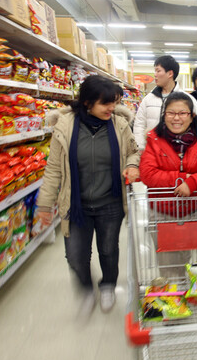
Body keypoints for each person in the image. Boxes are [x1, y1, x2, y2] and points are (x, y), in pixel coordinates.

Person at [36, 76, 140, 315]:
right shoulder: (65, 127)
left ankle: (107, 286)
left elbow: (133, 153)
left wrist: (133, 165)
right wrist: (44, 205)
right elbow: (53, 169)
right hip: (76, 204)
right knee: (75, 255)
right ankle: (85, 289)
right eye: (105, 103)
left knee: (108, 250)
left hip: (110, 203)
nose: (111, 108)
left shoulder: (119, 125)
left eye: (114, 102)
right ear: (87, 102)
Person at [140, 91, 197, 201]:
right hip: (161, 210)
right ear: (164, 115)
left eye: (183, 113)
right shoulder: (154, 140)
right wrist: (183, 178)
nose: (176, 118)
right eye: (171, 113)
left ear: (192, 117)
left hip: (194, 209)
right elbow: (147, 175)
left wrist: (193, 182)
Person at [134, 55, 197, 151]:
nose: (155, 74)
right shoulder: (148, 99)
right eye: (155, 71)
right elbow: (139, 125)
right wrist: (141, 149)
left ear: (170, 74)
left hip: (179, 154)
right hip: (152, 153)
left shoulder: (188, 99)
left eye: (158, 71)